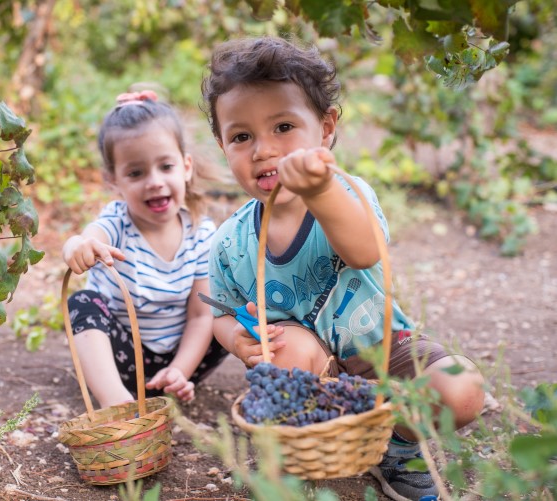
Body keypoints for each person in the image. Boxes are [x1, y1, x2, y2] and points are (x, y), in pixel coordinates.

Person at [201, 36, 485, 501]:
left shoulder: (347, 194)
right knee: (285, 350)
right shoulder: (230, 241)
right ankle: (308, 448)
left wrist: (319, 191)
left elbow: (363, 252)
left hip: (387, 352)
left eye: (284, 126)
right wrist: (237, 339)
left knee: (462, 389)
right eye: (241, 136)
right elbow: (221, 312)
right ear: (222, 144)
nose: (263, 150)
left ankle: (397, 446)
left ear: (326, 128)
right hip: (315, 375)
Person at [62, 90, 229, 409]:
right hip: (124, 359)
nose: (154, 181)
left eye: (166, 166)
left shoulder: (202, 234)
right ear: (114, 181)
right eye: (136, 173)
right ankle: (117, 403)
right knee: (82, 302)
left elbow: (198, 317)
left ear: (186, 166)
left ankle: (172, 384)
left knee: (222, 314)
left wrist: (181, 370)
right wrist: (80, 246)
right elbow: (87, 237)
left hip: (184, 356)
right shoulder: (117, 222)